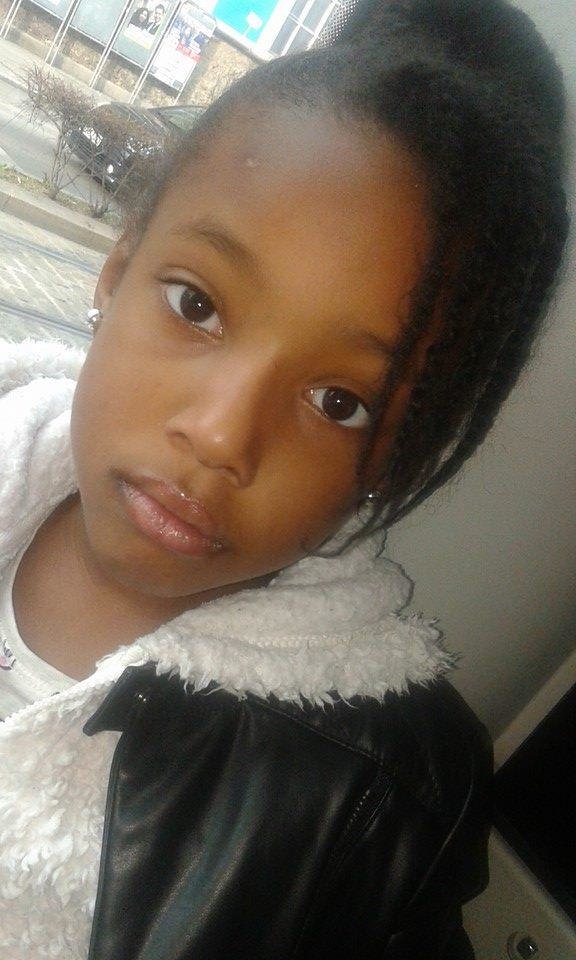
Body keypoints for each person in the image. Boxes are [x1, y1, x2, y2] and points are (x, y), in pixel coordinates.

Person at [0, 0, 568, 957]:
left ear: (404, 452)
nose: (223, 436)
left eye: (340, 402)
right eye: (197, 304)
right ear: (118, 266)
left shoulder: (377, 804)